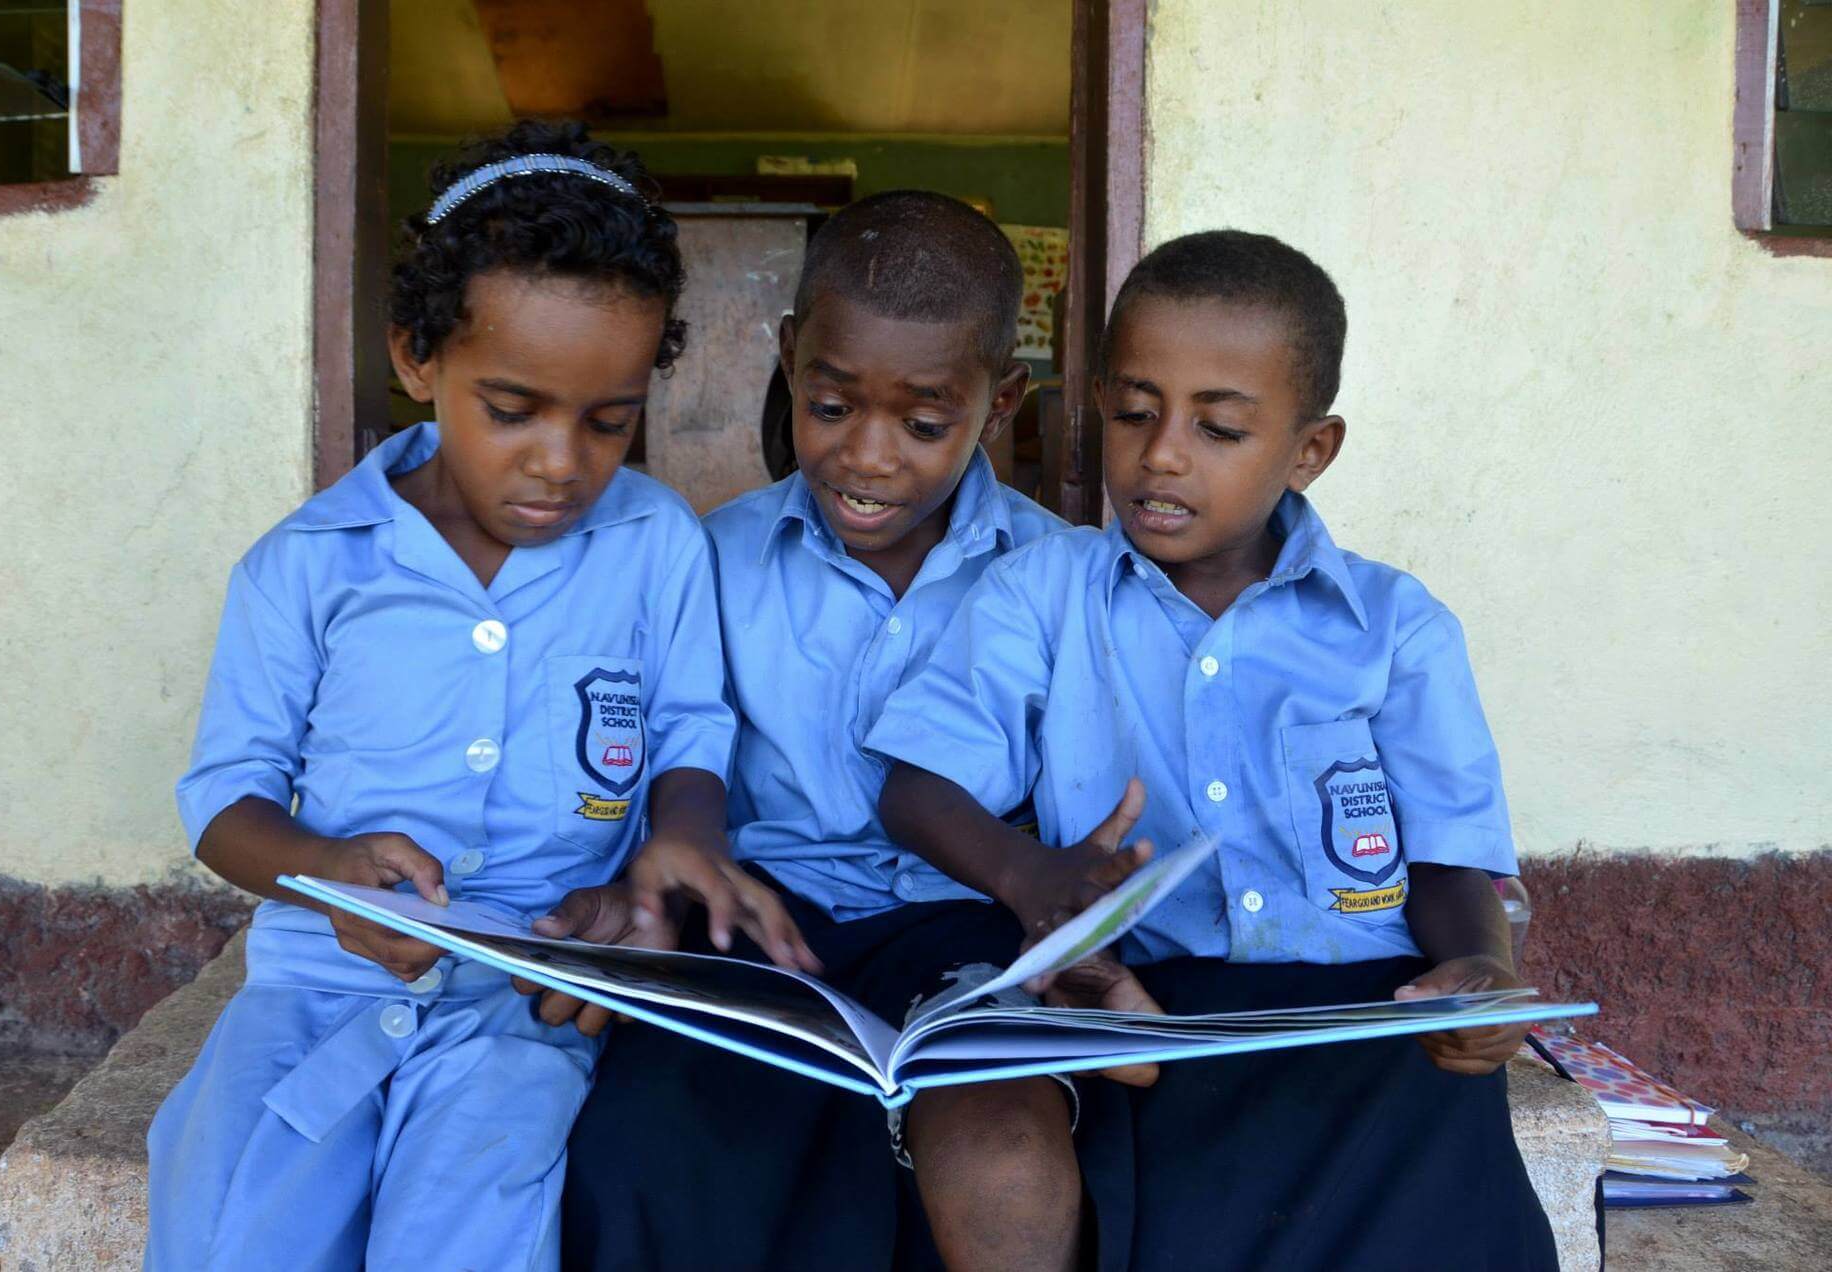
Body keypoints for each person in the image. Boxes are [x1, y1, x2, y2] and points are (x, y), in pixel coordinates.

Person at [145, 120, 813, 1272]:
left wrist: (682, 839)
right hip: (320, 979)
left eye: (609, 420)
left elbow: (692, 727)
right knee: (229, 1223)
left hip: (533, 983)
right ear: (417, 359)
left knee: (473, 1222)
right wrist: (325, 871)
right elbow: (224, 800)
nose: (562, 461)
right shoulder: (309, 565)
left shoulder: (654, 541)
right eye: (514, 410)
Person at [873, 230, 1561, 1271]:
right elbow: (919, 788)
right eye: (1136, 412)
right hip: (1150, 1016)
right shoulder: (1043, 596)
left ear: (1308, 451)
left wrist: (1480, 971)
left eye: (1220, 428)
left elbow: (1451, 855)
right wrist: (1032, 880)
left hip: (1366, 1022)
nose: (1162, 454)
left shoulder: (1394, 627)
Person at [561, 191, 1120, 1272]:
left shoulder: (1063, 575)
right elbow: (660, 767)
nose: (867, 459)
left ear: (1000, 400)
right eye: (829, 408)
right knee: (642, 1150)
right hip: (759, 925)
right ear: (788, 359)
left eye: (922, 424)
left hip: (974, 932)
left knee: (1005, 1152)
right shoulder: (702, 562)